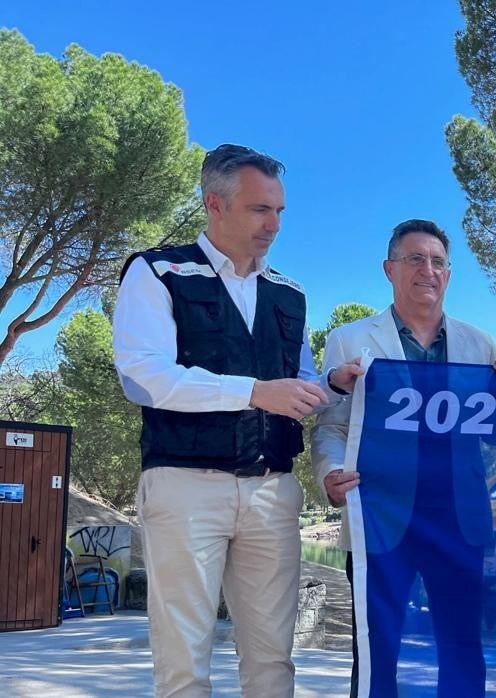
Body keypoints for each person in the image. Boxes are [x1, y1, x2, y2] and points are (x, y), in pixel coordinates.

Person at [113, 143, 363, 697]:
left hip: (273, 493)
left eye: (278, 211)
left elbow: (293, 390)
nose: (273, 224)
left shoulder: (289, 295)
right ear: (215, 204)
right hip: (183, 486)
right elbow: (143, 376)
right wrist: (253, 392)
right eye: (259, 209)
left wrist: (331, 386)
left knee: (274, 660)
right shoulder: (158, 272)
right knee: (183, 661)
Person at [311, 218, 496, 698]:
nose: (427, 270)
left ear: (448, 274)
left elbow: (494, 438)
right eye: (414, 259)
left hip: (460, 518)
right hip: (380, 520)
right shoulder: (348, 341)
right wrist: (328, 476)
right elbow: (332, 427)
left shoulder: (480, 345)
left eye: (437, 261)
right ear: (389, 269)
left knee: (462, 649)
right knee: (376, 650)